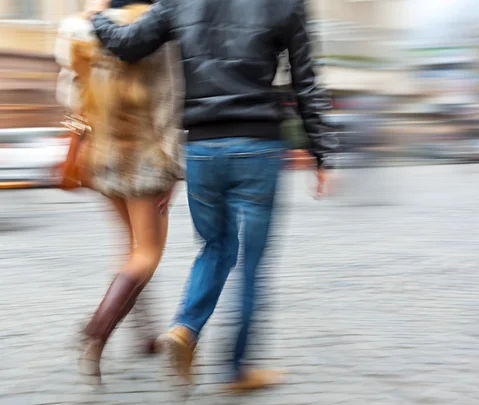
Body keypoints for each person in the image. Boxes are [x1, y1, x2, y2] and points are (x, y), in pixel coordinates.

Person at [84, 0, 337, 390]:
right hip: (258, 147)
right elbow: (307, 80)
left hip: (203, 148)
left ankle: (185, 329)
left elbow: (127, 44)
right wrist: (321, 152)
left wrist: (97, 16)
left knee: (215, 248)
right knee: (252, 264)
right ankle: (237, 368)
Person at [55, 0, 184, 384]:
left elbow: (70, 96)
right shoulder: (159, 30)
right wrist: (174, 168)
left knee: (129, 249)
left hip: (102, 156)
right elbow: (170, 105)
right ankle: (97, 329)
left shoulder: (84, 28)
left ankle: (144, 335)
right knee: (147, 253)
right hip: (146, 159)